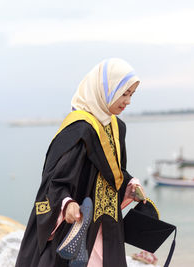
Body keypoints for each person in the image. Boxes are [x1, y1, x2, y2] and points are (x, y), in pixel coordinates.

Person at [16, 58, 146, 267]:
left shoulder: (117, 127)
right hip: (79, 225)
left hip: (109, 224)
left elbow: (114, 171)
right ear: (106, 90)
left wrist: (130, 186)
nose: (128, 101)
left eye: (131, 94)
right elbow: (55, 180)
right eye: (124, 93)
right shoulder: (79, 130)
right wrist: (67, 203)